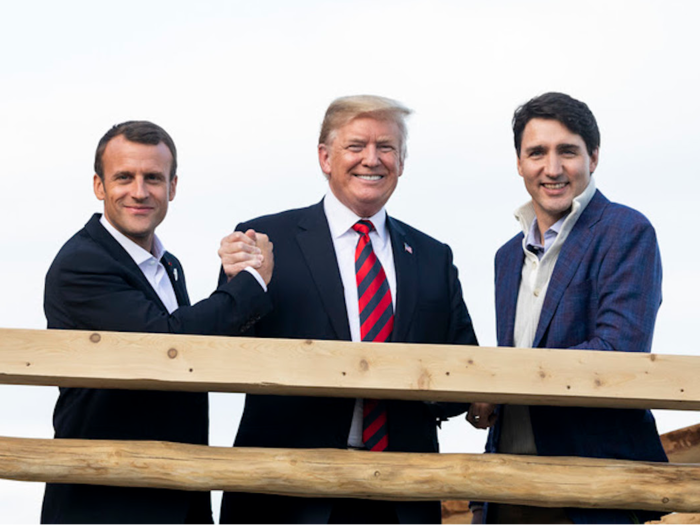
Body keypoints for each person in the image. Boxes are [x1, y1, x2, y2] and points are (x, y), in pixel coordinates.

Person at [219, 95, 478, 525]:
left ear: (402, 160)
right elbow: (228, 348)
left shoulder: (433, 256)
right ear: (325, 157)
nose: (371, 160)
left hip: (400, 498)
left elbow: (461, 367)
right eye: (356, 146)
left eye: (387, 147)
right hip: (288, 494)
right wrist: (241, 283)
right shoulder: (266, 240)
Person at [41, 120, 274, 525]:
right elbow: (165, 345)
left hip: (178, 494)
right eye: (123, 177)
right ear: (99, 186)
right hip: (106, 503)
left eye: (153, 177)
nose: (139, 191)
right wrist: (253, 282)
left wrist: (233, 279)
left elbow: (194, 344)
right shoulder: (82, 264)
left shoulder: (168, 265)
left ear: (173, 187)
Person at [467, 92, 668, 525]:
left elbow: (618, 352)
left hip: (589, 487)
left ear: (593, 157)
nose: (552, 168)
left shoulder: (626, 231)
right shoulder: (507, 257)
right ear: (519, 163)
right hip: (506, 486)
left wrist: (501, 380)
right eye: (536, 152)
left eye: (568, 152)